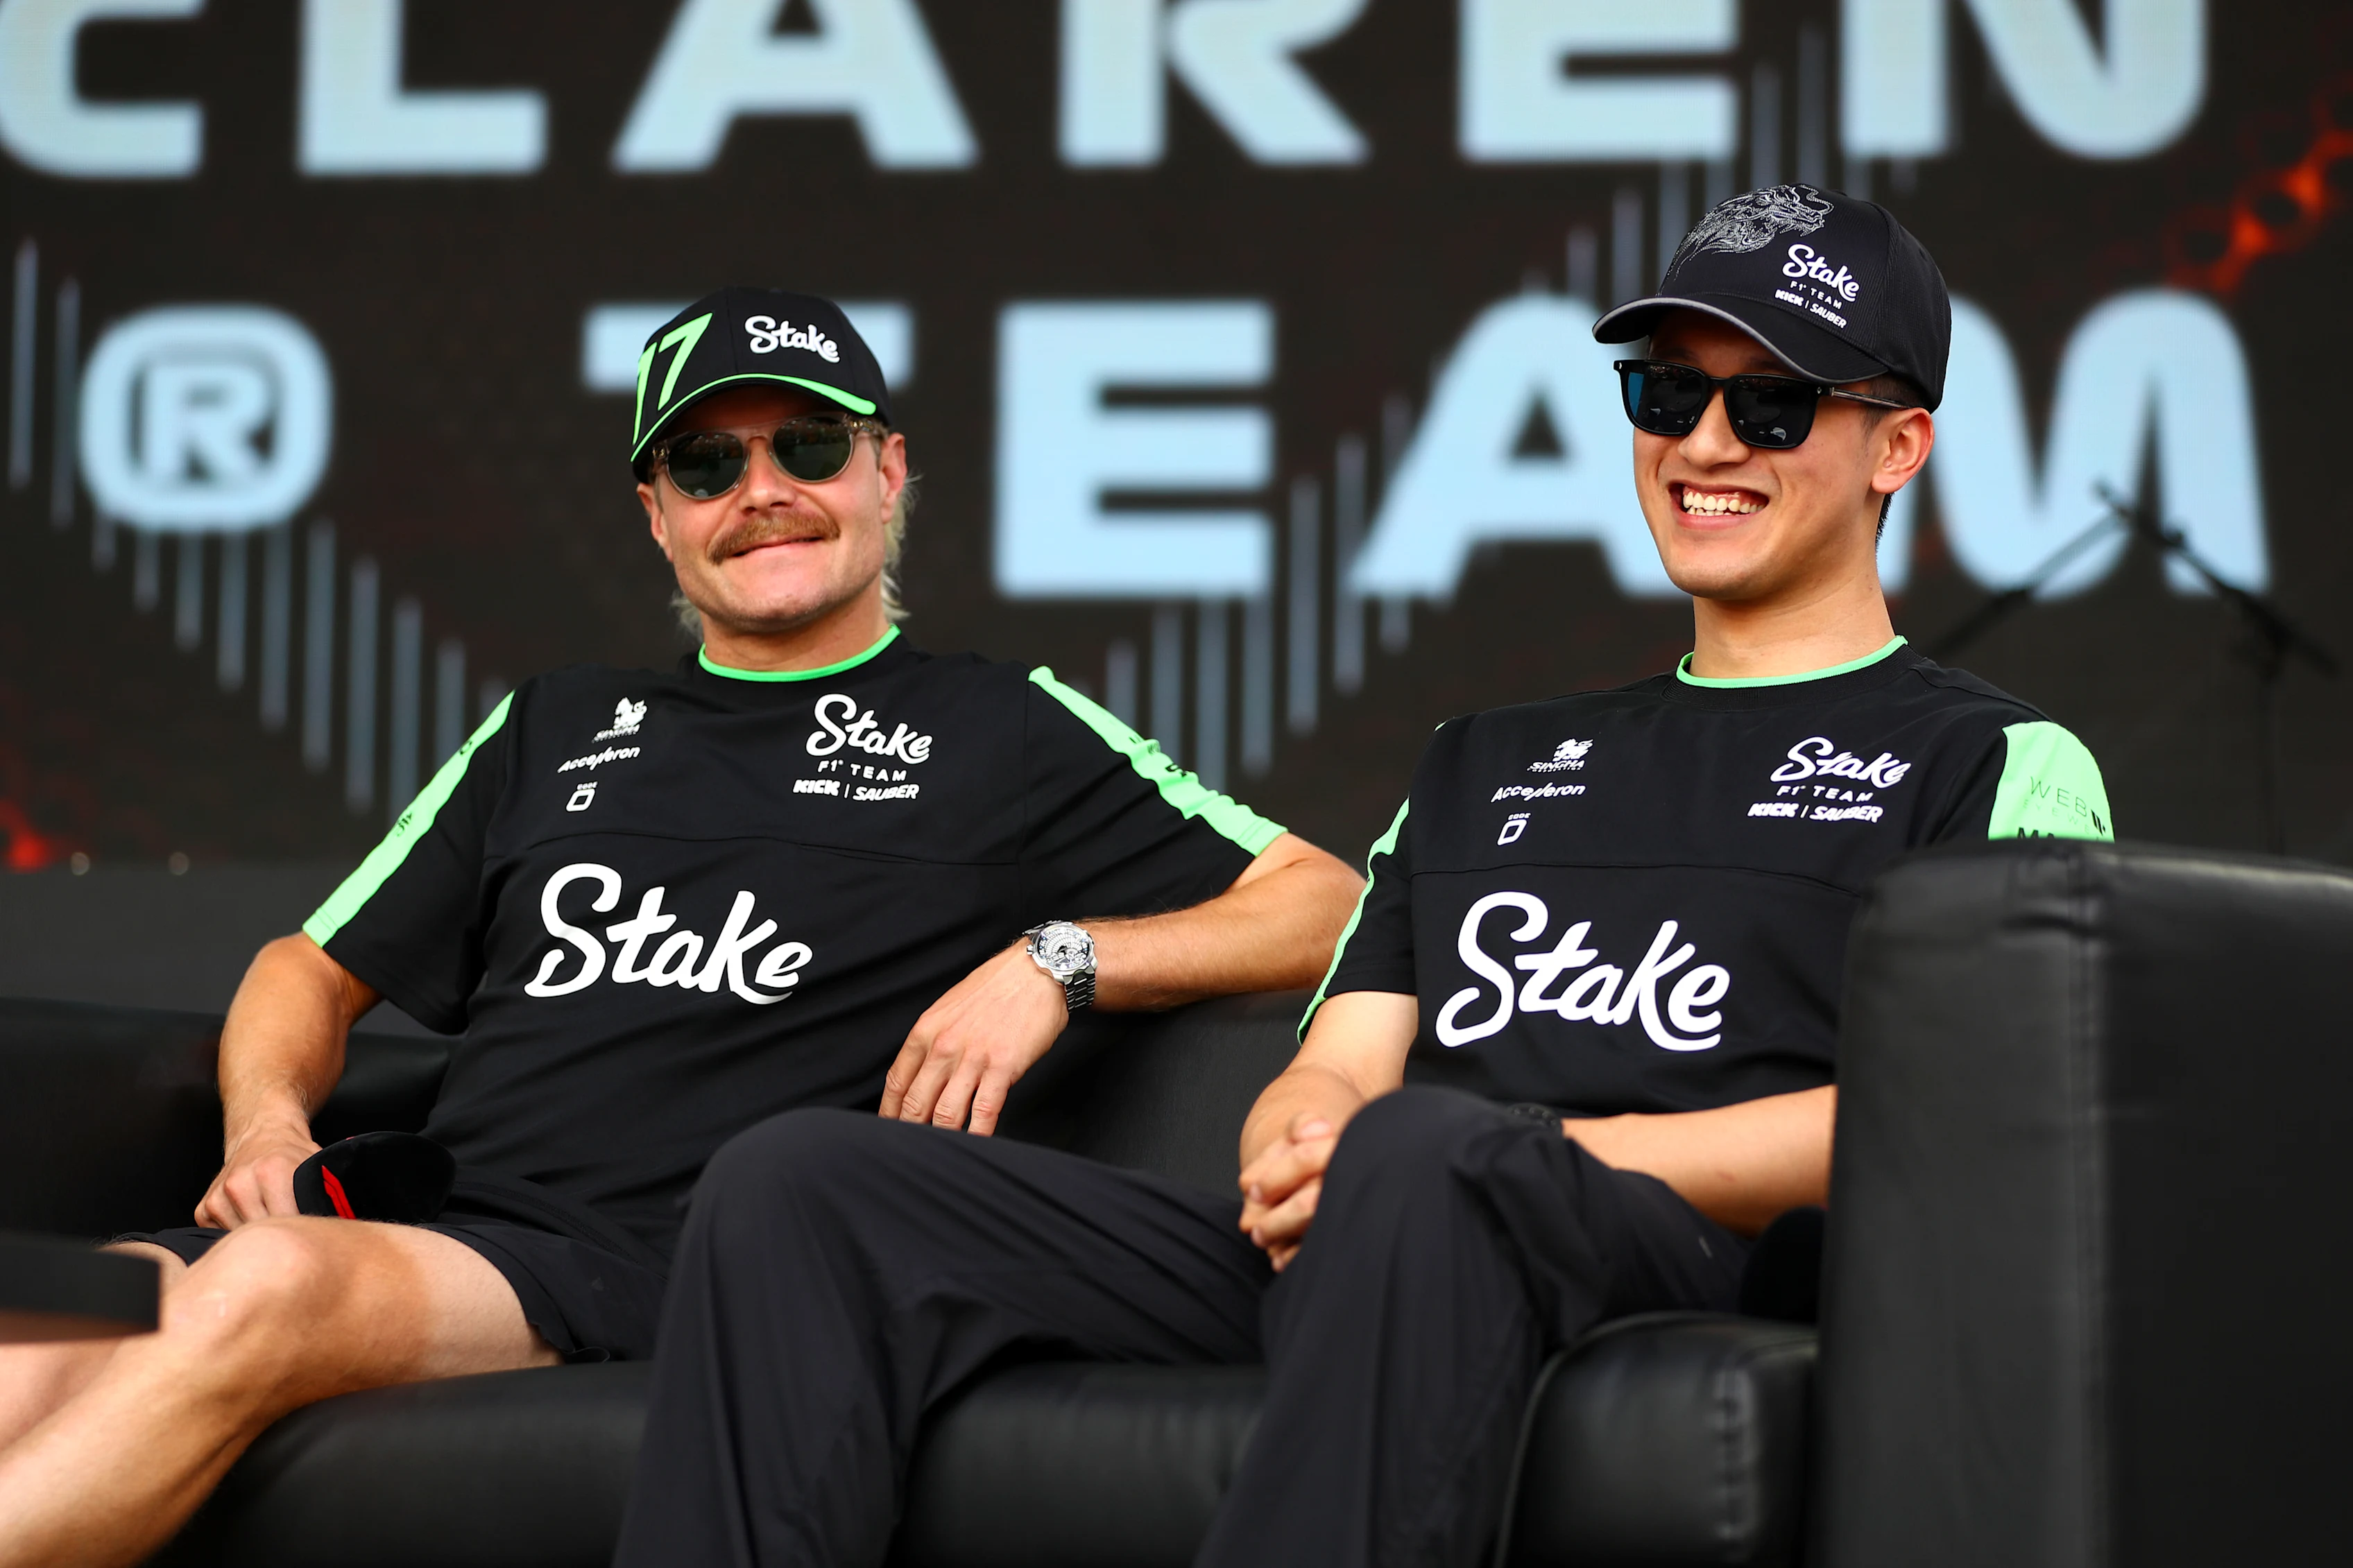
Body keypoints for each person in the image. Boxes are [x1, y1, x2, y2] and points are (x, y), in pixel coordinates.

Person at [613, 188, 2116, 1567]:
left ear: (1897, 447)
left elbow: (1948, 1128)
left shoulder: (1993, 758)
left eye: (1772, 404)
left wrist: (1527, 1153)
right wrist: (1302, 1139)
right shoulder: (1484, 755)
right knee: (800, 1179)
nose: (1706, 445)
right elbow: (1334, 1065)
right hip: (1398, 1227)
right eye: (1667, 393)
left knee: (1426, 1153)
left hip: (1674, 1250)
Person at [0, 288, 1361, 1568]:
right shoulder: (555, 723)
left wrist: (1062, 959)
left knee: (268, 1282)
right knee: (44, 1319)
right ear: (658, 514)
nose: (761, 492)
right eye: (707, 467)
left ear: (887, 472)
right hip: (443, 1221)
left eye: (808, 445)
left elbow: (1329, 898)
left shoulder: (1003, 721)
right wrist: (266, 1129)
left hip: (665, 1266)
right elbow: (303, 967)